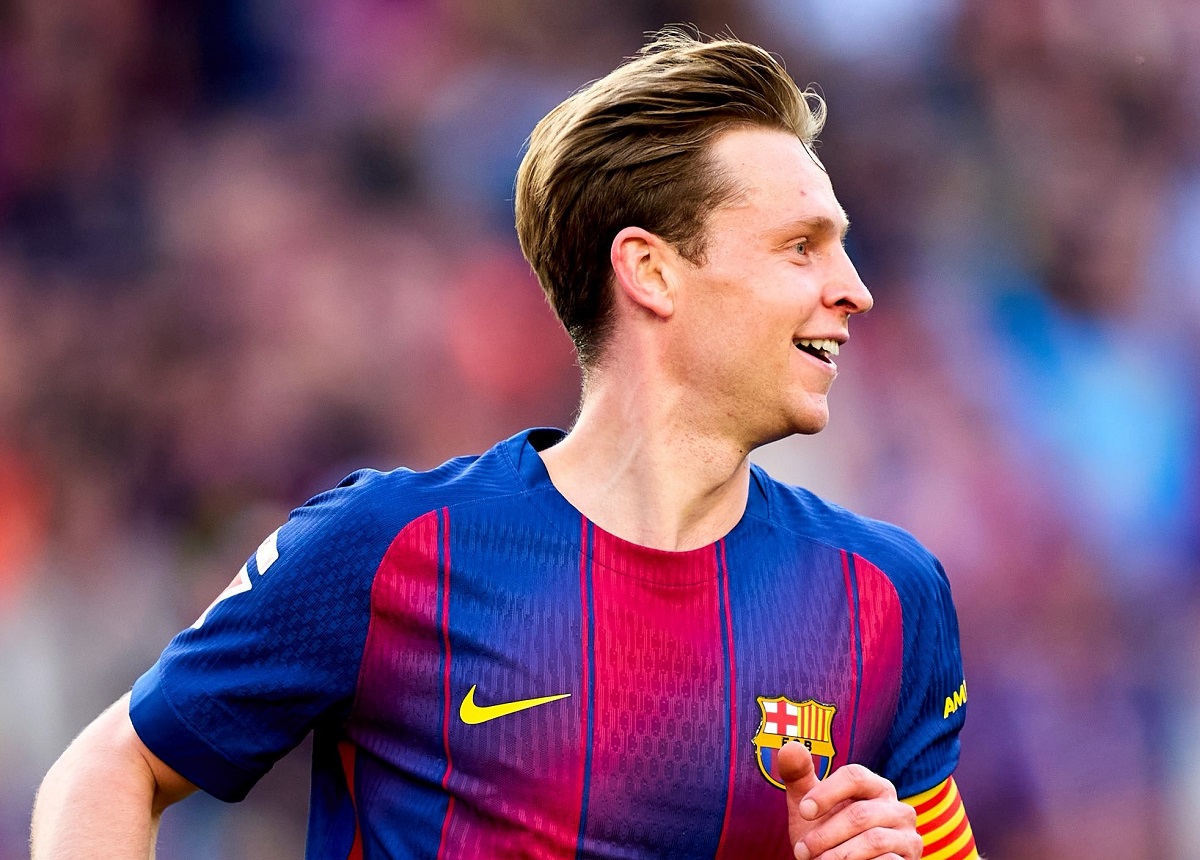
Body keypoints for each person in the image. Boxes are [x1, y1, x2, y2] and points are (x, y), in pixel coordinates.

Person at [32, 30, 979, 860]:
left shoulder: (889, 596)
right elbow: (113, 768)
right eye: (801, 246)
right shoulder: (390, 547)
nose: (854, 288)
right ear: (651, 271)